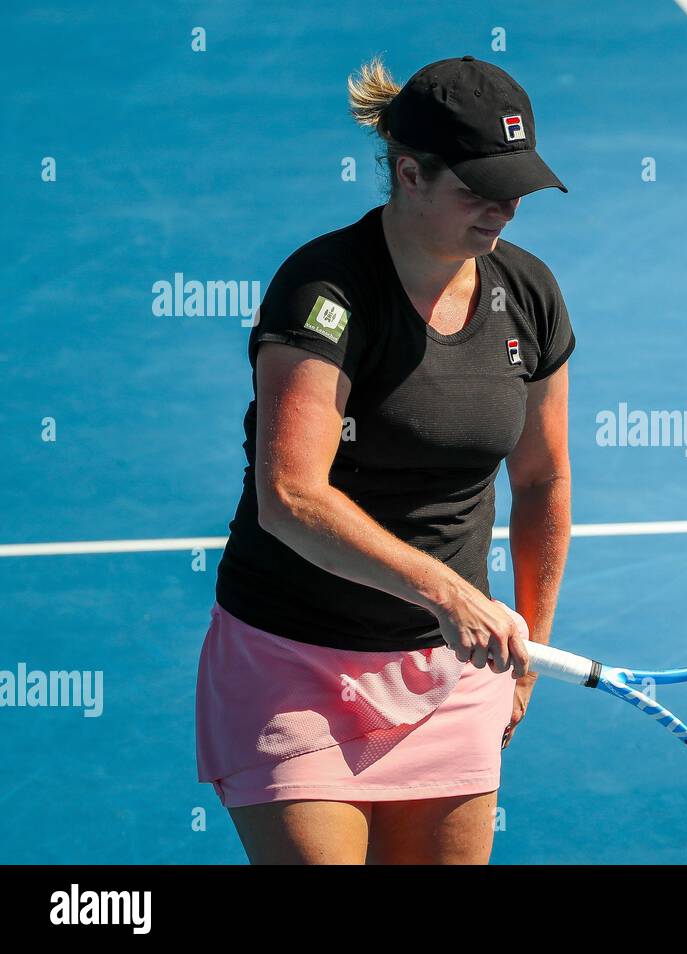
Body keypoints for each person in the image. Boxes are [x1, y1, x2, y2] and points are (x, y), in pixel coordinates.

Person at [194, 54, 575, 864]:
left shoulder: (530, 295)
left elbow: (541, 479)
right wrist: (447, 591)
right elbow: (291, 495)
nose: (503, 211)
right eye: (477, 187)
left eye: (515, 188)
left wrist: (529, 654)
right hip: (293, 663)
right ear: (408, 172)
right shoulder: (324, 292)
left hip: (451, 673)